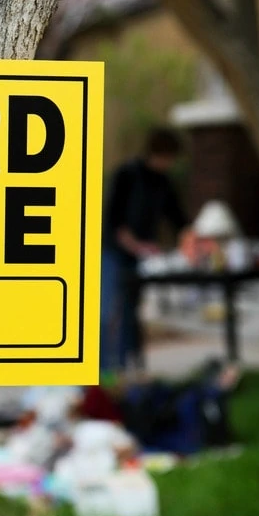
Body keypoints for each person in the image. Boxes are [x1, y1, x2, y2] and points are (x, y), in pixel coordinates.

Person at [101, 126, 188, 372]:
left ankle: (129, 364)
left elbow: (177, 217)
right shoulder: (126, 175)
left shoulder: (163, 182)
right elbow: (113, 219)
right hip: (115, 250)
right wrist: (135, 245)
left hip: (142, 255)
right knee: (108, 310)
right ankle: (102, 369)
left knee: (131, 311)